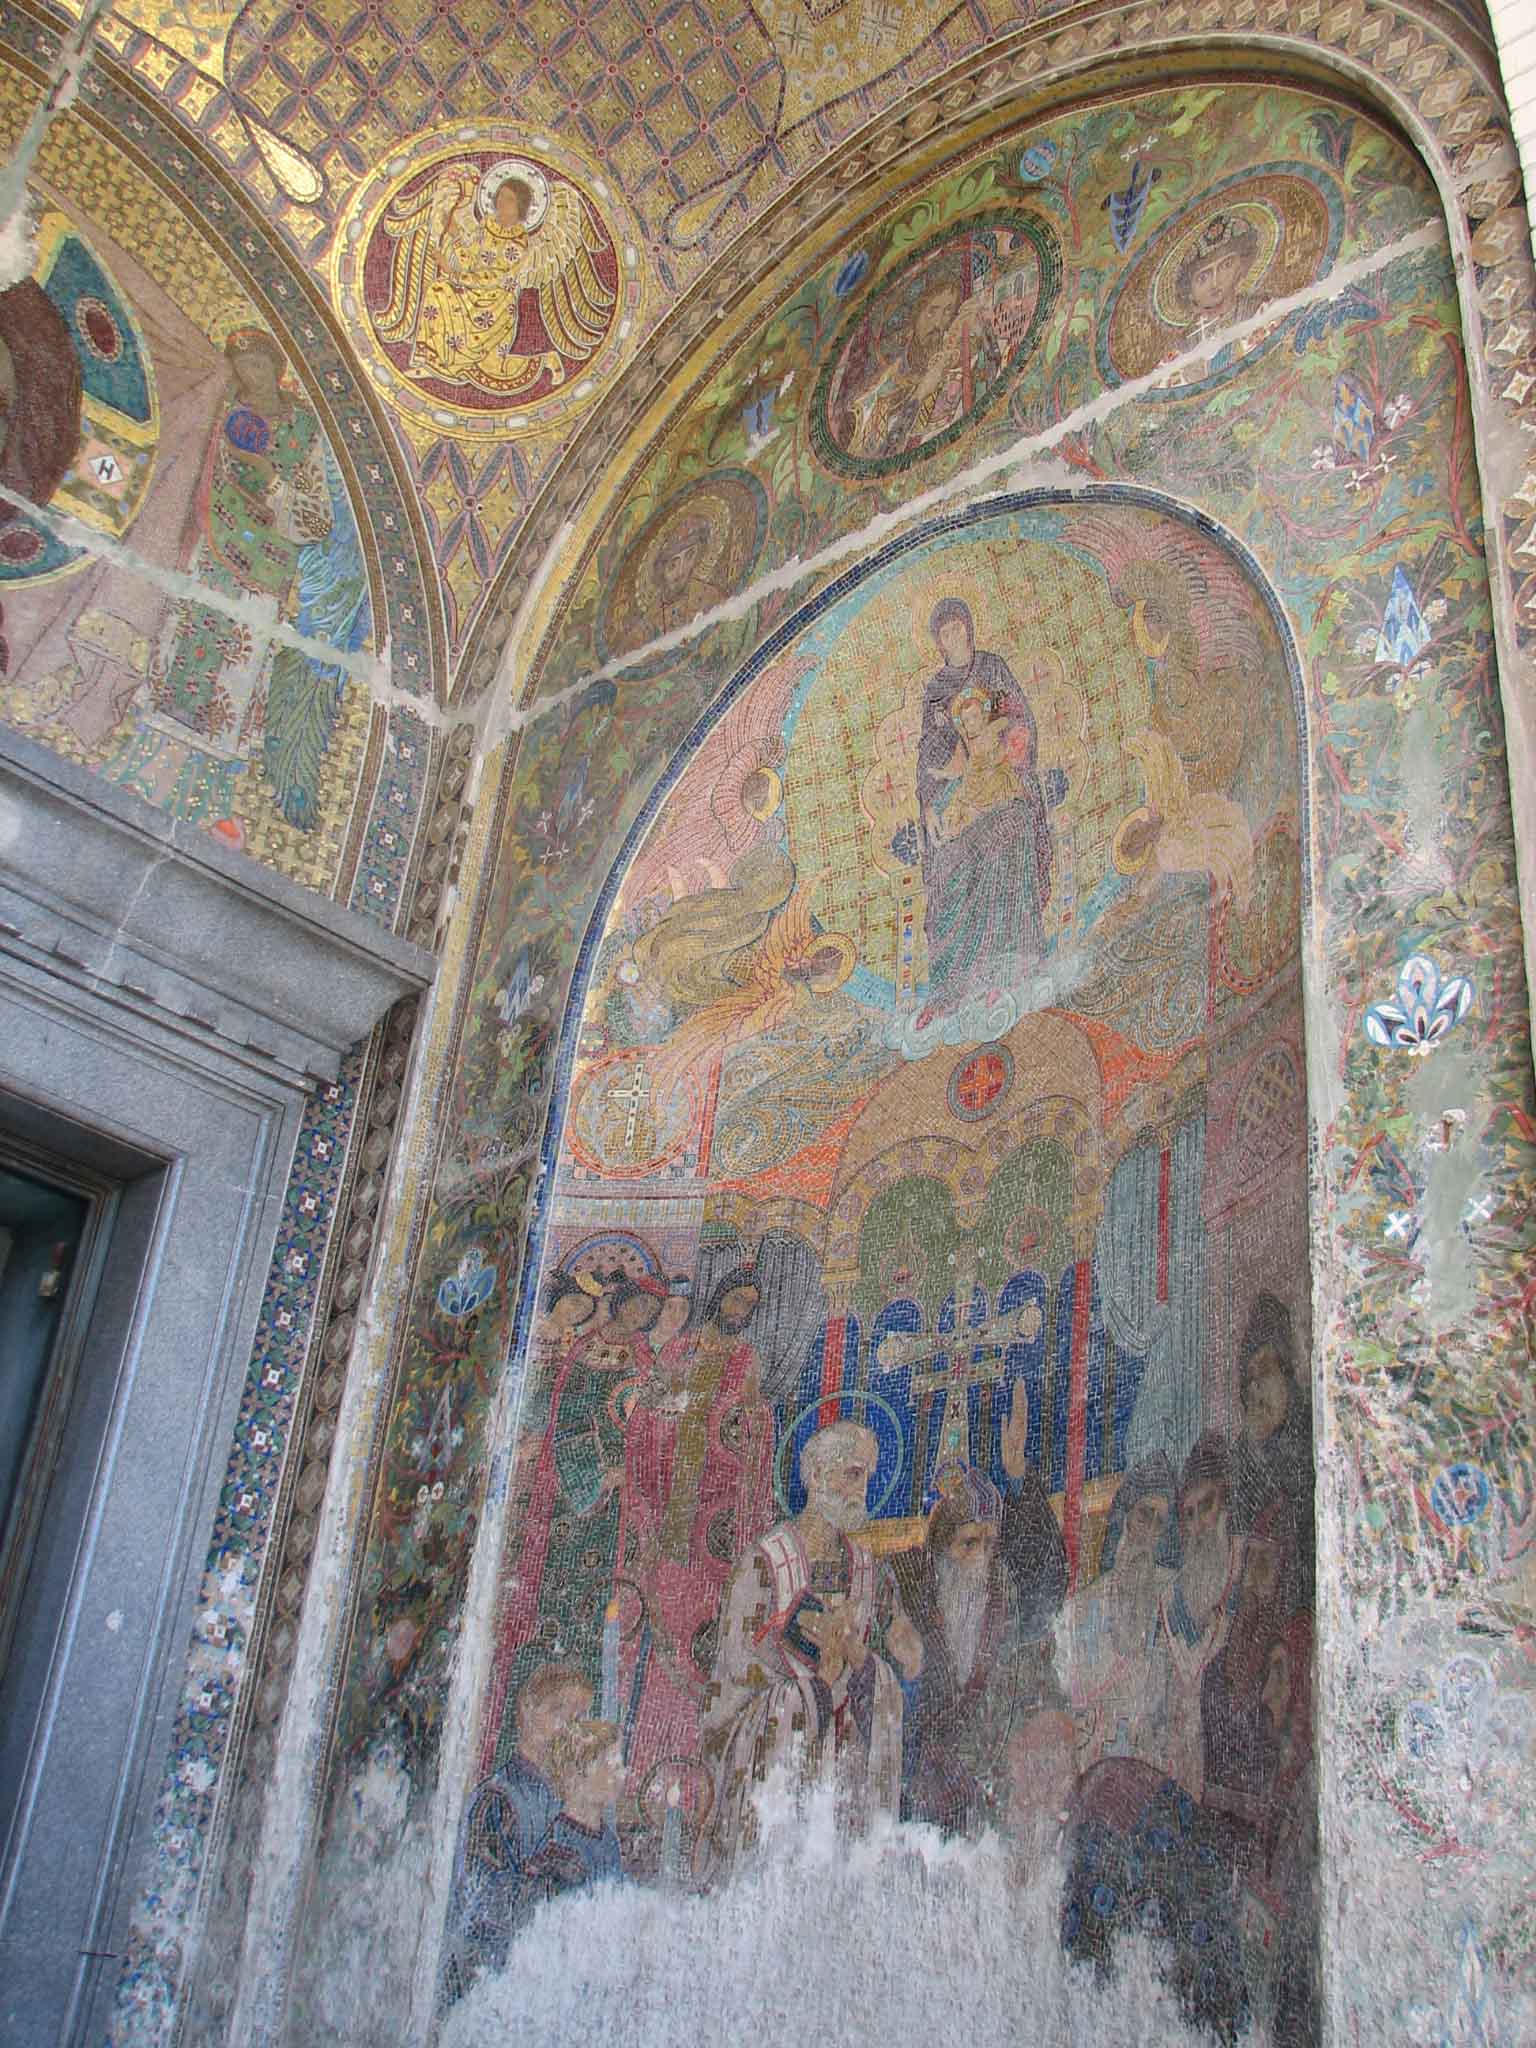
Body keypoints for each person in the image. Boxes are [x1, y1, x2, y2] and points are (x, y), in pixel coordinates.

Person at [699, 1420, 923, 1874]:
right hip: (781, 1777)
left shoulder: (871, 1573)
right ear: (817, 1475)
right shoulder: (764, 1565)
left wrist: (862, 1662)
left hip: (846, 1780)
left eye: (867, 1477)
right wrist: (815, 1688)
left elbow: (896, 1675)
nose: (862, 1489)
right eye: (852, 1474)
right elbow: (735, 1696)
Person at [895, 1441, 1070, 1845]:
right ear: (941, 1548)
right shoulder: (910, 1607)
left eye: (990, 1544)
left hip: (992, 1787)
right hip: (925, 1793)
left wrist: (1019, 1478)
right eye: (969, 1543)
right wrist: (911, 1675)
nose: (980, 1558)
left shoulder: (1005, 1607)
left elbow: (1048, 1577)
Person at [914, 598, 1054, 1021]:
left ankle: (1010, 965)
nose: (953, 637)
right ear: (938, 643)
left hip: (1004, 791)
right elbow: (929, 756)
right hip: (961, 799)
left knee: (1009, 831)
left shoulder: (992, 668)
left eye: (958, 628)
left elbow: (1021, 722)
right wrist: (930, 805)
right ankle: (953, 985)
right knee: (946, 863)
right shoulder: (936, 691)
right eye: (945, 633)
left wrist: (1004, 758)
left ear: (970, 629)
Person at [444, 1663, 592, 1994]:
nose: (568, 1727)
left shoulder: (564, 1796)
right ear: (527, 1708)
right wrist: (543, 1878)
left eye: (578, 1718)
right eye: (558, 1710)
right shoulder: (497, 1798)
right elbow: (480, 1903)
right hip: (490, 1982)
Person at [1061, 1453, 1178, 1774]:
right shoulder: (1081, 1608)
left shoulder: (1170, 1599)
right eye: (1144, 1515)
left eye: (1159, 1522)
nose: (1148, 1531)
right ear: (1125, 1515)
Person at [1230, 1294, 1314, 1604]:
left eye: (1264, 1371)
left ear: (1286, 1372)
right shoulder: (1243, 1454)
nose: (1256, 1389)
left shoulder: (1312, 1429)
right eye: (1249, 1380)